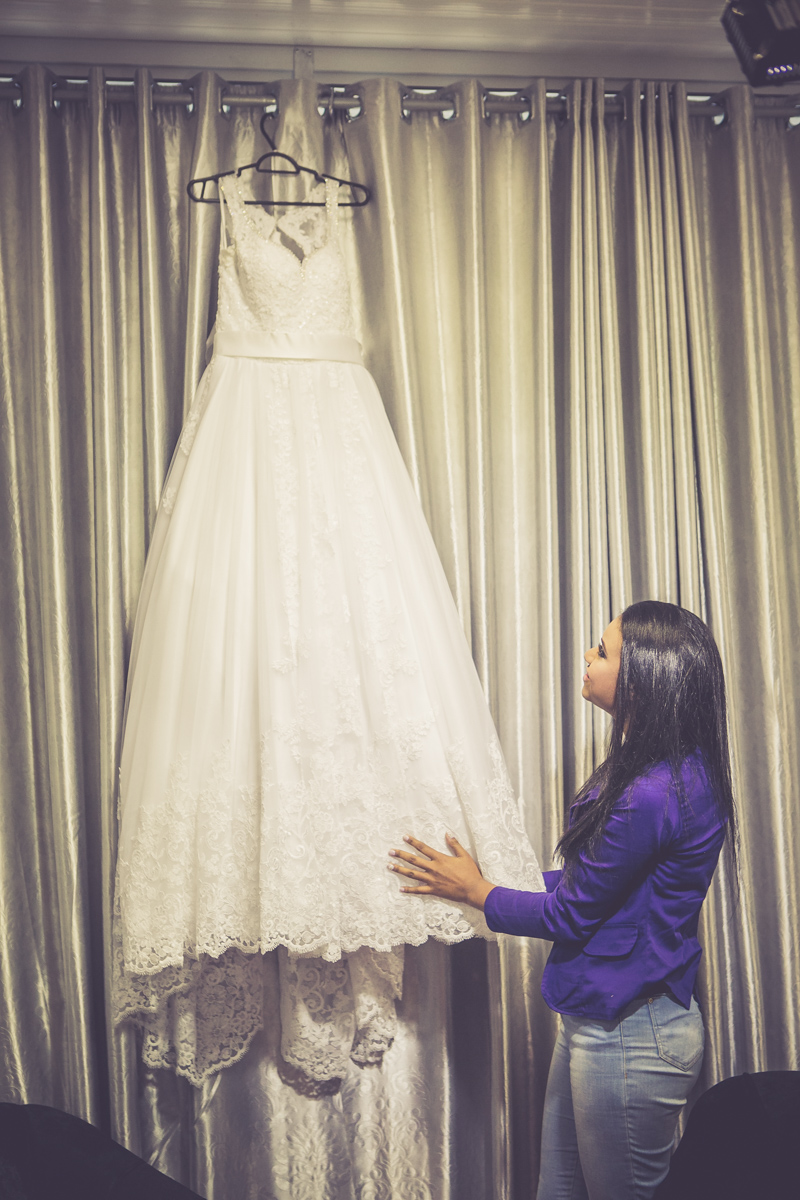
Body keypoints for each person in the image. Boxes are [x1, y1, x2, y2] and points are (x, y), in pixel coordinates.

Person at [389, 600, 737, 1200]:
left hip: (630, 1034)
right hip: (604, 1021)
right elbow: (598, 889)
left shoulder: (653, 791)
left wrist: (476, 891)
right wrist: (494, 880)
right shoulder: (670, 771)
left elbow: (570, 914)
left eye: (602, 651)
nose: (587, 657)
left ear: (644, 678)